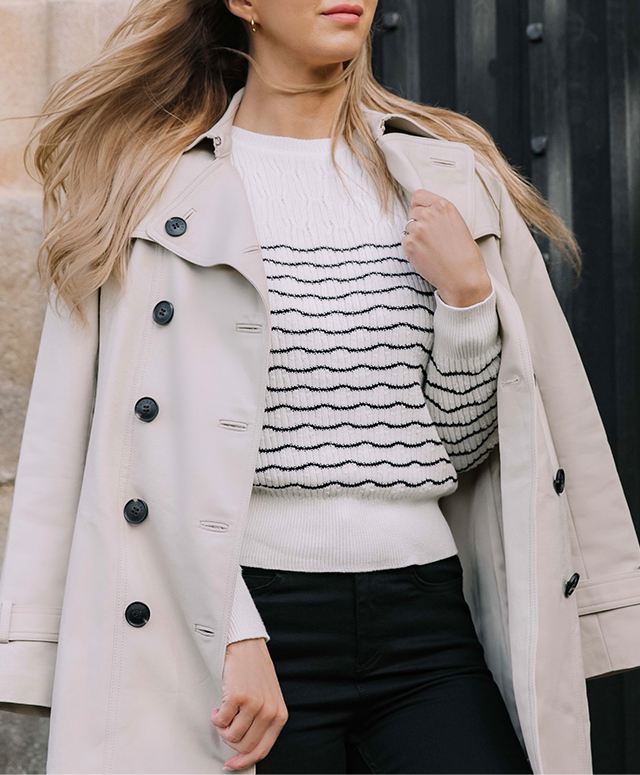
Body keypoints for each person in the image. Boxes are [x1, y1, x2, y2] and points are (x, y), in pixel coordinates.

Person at [6, 0, 633, 773]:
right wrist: (230, 627)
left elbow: (466, 449)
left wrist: (468, 303)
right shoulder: (148, 189)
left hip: (426, 620)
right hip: (239, 619)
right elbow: (131, 450)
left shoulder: (448, 175)